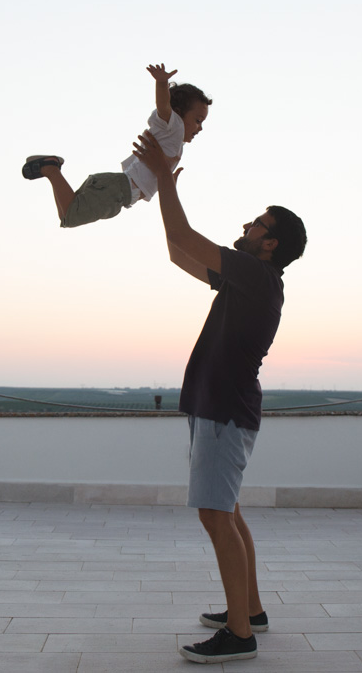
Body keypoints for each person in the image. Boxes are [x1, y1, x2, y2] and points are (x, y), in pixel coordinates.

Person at [132, 132, 307, 664]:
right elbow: (176, 246)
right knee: (227, 510)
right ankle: (249, 611)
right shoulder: (246, 280)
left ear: (271, 243)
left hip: (224, 411)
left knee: (215, 516)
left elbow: (186, 233)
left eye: (258, 224)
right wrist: (164, 188)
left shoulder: (257, 275)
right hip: (222, 408)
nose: (248, 227)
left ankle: (240, 635)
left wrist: (164, 176)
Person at [22, 64, 211, 228]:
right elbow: (164, 107)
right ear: (178, 112)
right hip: (118, 191)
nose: (200, 128)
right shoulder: (174, 126)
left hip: (117, 188)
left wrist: (168, 181)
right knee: (70, 216)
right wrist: (161, 83)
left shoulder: (172, 141)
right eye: (197, 120)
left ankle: (49, 168)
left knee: (69, 213)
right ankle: (51, 168)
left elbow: (154, 171)